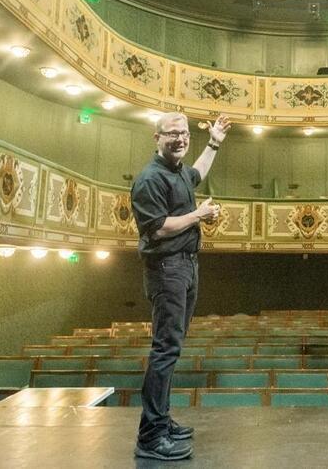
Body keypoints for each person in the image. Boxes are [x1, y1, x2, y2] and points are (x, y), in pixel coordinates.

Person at [131, 111, 229, 461]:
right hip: (167, 268)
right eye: (172, 134)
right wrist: (199, 216)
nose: (180, 139)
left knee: (172, 347)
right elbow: (156, 228)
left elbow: (198, 172)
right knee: (165, 349)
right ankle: (151, 435)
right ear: (156, 138)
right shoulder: (150, 178)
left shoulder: (177, 172)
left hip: (186, 266)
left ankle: (161, 419)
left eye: (184, 133)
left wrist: (214, 141)